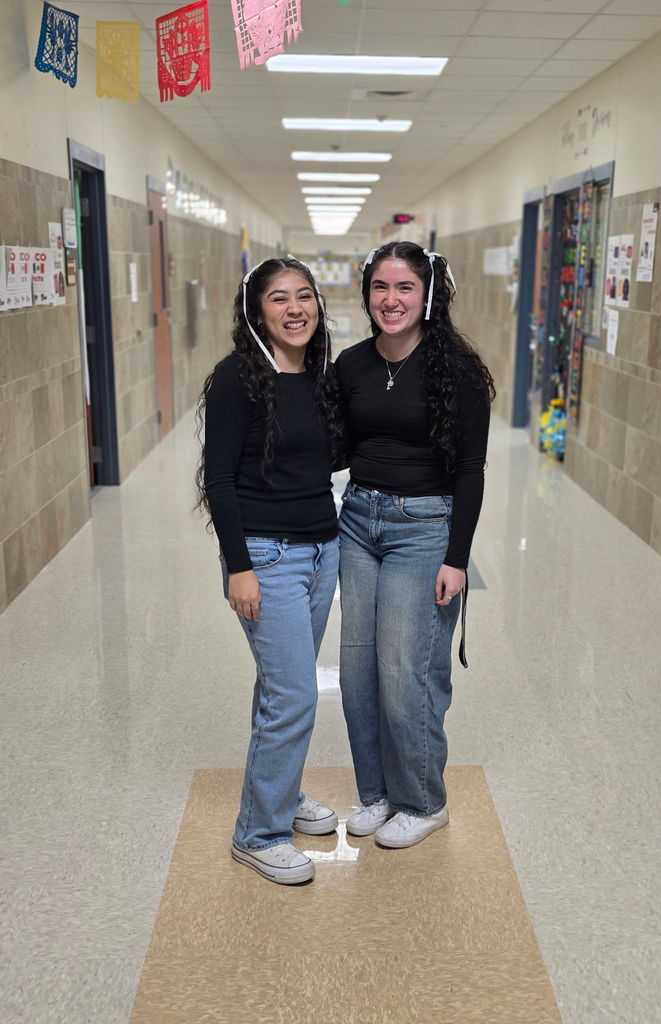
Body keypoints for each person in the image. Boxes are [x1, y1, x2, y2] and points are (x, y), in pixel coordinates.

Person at [335, 242, 494, 849]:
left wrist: (458, 558)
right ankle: (378, 793)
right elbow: (336, 446)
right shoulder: (351, 364)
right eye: (380, 286)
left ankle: (424, 801)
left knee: (406, 673)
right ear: (366, 293)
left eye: (405, 287)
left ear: (428, 294)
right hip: (359, 522)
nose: (391, 300)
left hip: (426, 527)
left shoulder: (457, 370)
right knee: (358, 672)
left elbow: (471, 471)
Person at [196, 257, 343, 885]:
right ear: (257, 310)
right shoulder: (235, 379)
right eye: (279, 298)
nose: (294, 308)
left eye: (304, 296)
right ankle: (257, 834)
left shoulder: (319, 376)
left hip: (321, 549)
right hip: (267, 556)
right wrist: (239, 566)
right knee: (295, 693)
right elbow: (220, 478)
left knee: (282, 687)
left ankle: (279, 795)